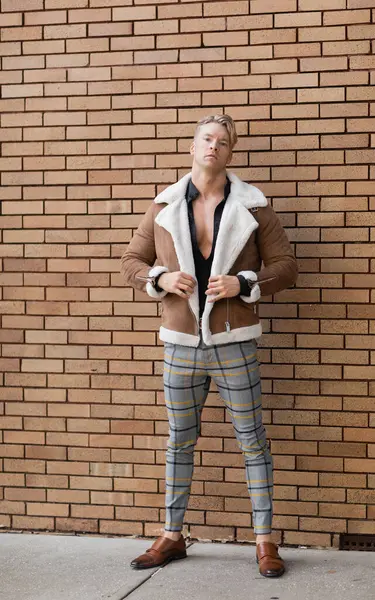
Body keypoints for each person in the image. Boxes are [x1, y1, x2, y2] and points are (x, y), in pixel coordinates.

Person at [120, 114, 298, 578]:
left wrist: (244, 282)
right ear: (193, 146)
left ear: (230, 152)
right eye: (206, 139)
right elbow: (131, 261)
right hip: (180, 343)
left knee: (252, 442)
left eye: (222, 141)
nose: (213, 147)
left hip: (234, 342)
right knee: (179, 441)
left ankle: (265, 542)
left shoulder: (255, 208)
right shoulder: (163, 206)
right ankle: (172, 536)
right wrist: (159, 277)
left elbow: (286, 266)